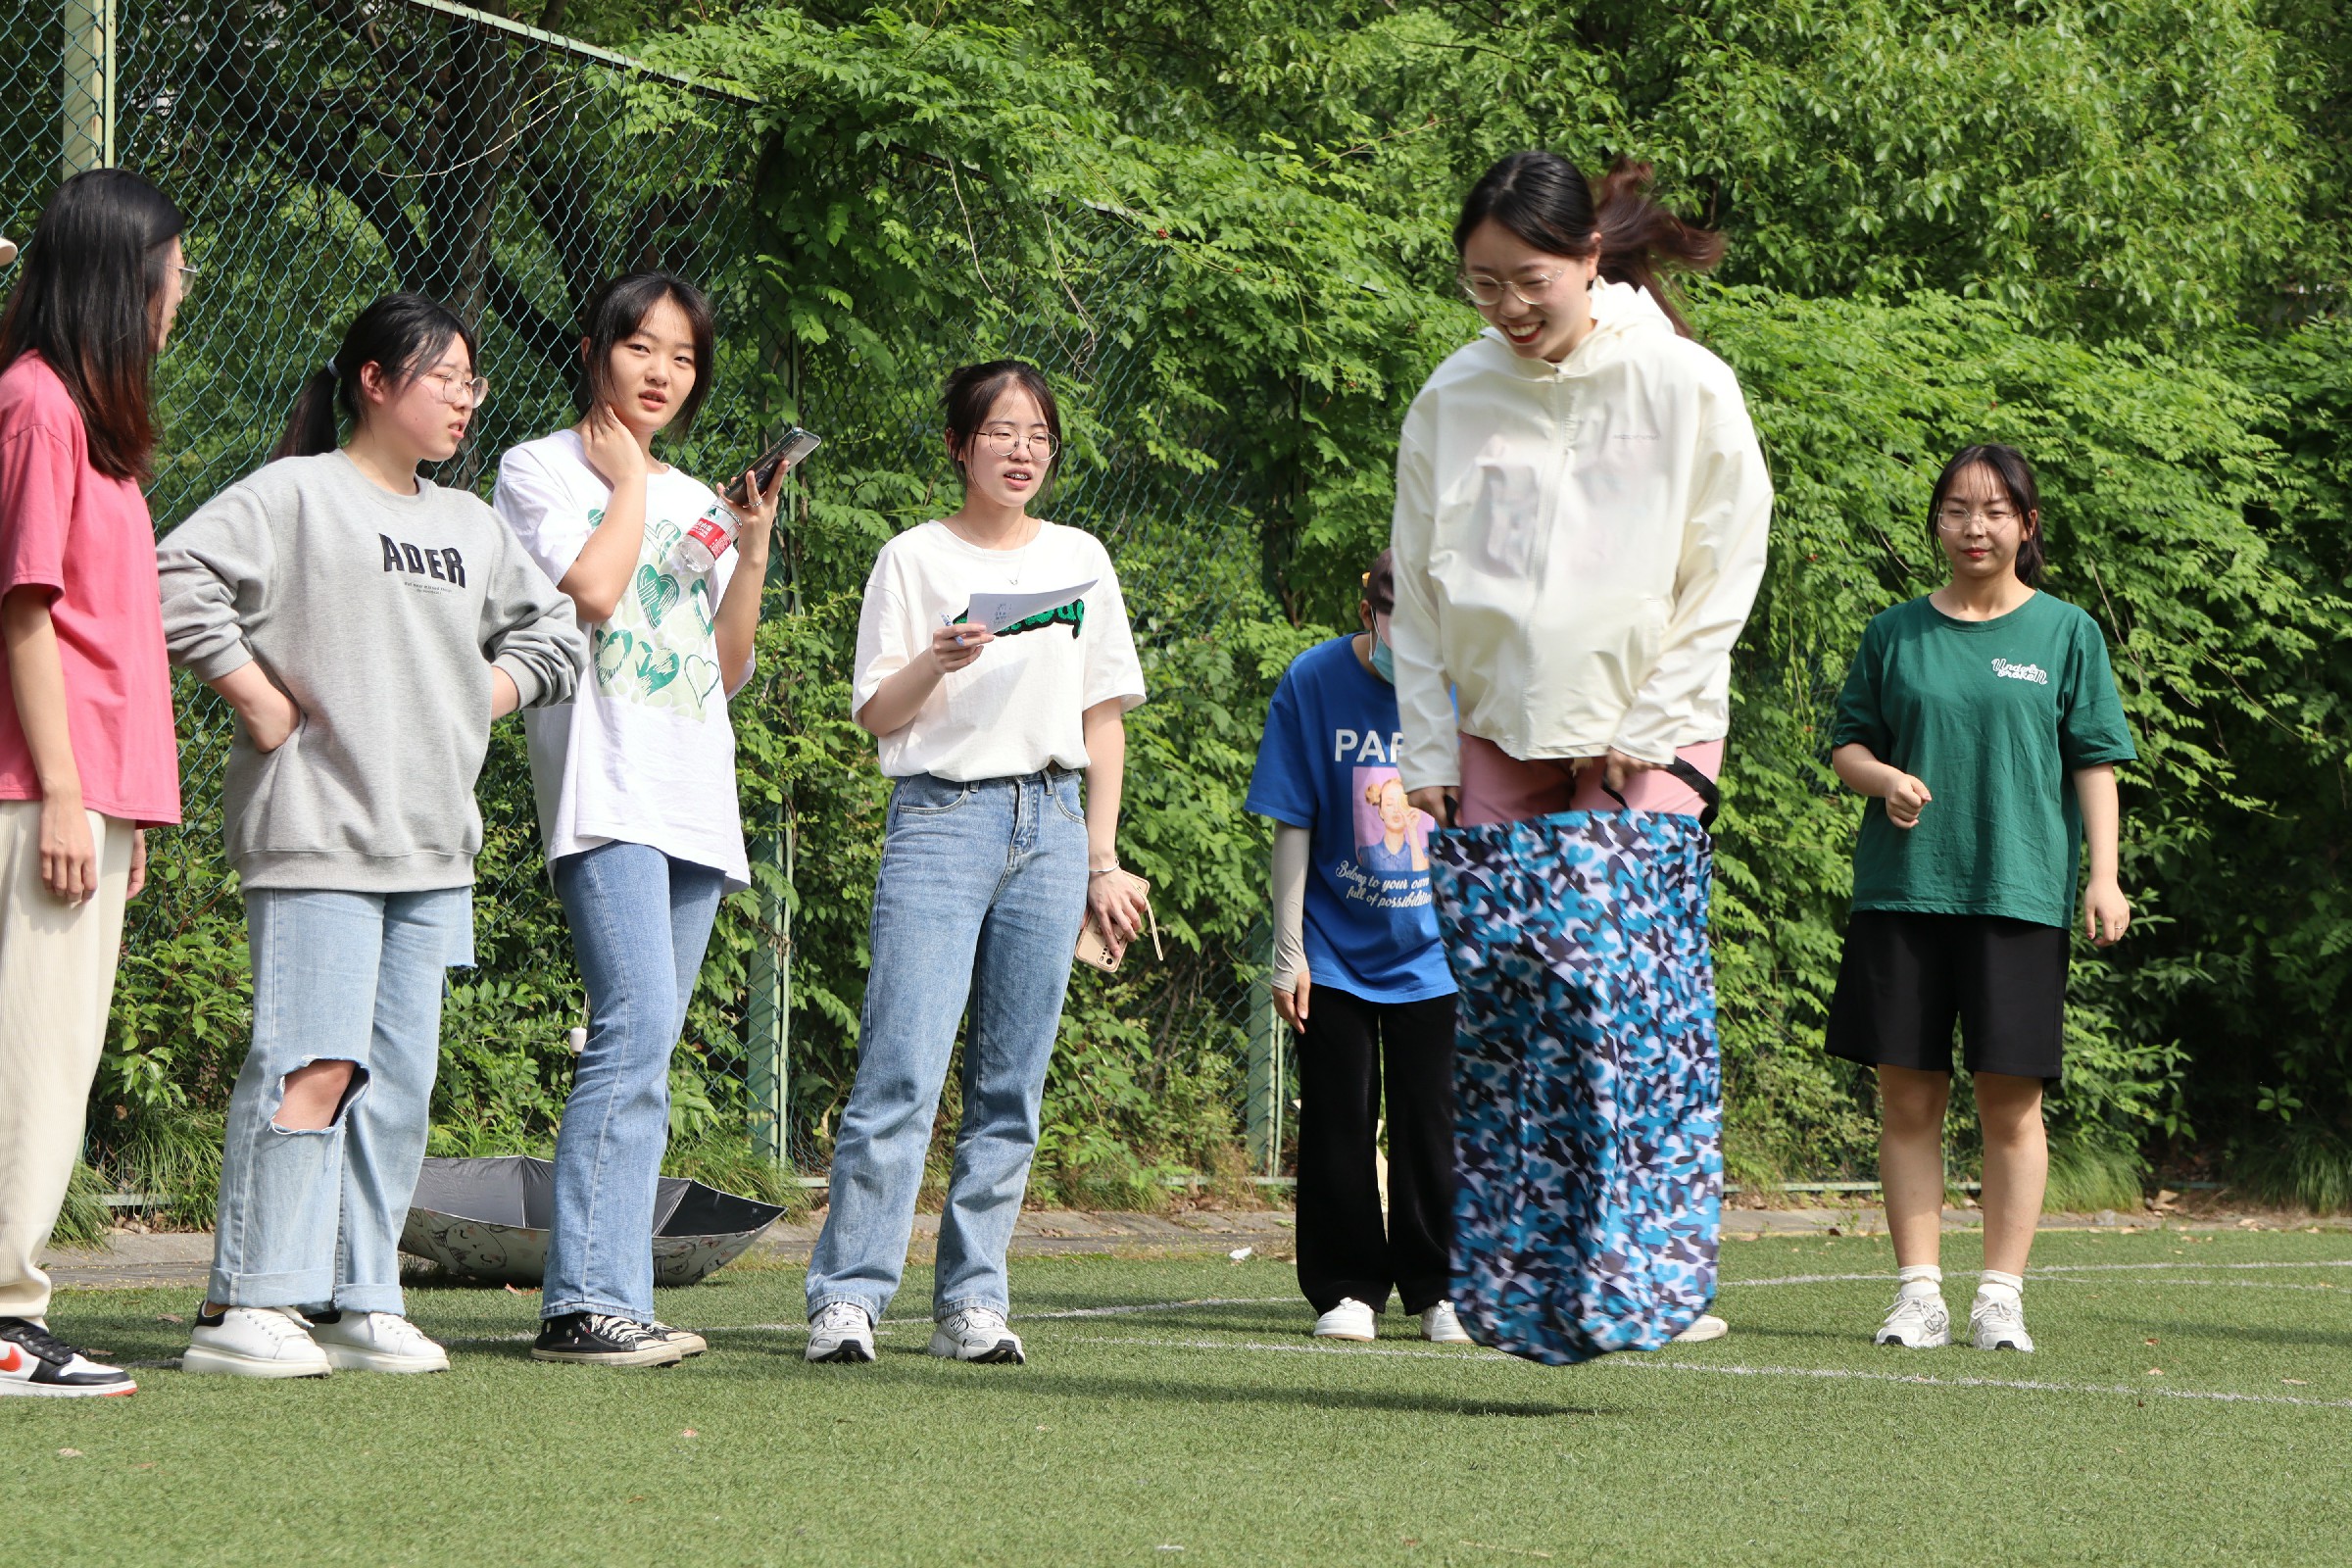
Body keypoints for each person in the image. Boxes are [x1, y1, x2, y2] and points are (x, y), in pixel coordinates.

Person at [158, 293, 586, 1378]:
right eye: (444, 377)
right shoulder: (296, 495)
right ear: (375, 381)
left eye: (471, 381)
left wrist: (478, 694)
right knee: (310, 1065)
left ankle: (362, 1297)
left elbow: (557, 636)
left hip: (433, 850)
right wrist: (257, 698)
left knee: (394, 1086)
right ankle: (250, 1300)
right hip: (316, 833)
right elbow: (169, 578)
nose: (463, 398)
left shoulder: (469, 524)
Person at [1390, 152, 1771, 1359]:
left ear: (1590, 258)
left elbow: (1726, 563)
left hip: (1646, 726)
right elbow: (1417, 589)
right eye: (1482, 283)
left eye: (1530, 281)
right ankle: (1513, 1281)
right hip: (1496, 723)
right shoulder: (1453, 396)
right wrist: (1426, 741)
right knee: (1509, 1002)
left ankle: (1648, 1273)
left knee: (1621, 1002)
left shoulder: (1682, 381)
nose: (1507, 306)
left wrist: (1646, 723)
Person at [803, 360, 1149, 1366]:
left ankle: (973, 1301)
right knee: (901, 1067)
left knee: (1013, 1082)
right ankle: (848, 1297)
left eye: (1039, 434)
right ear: (960, 445)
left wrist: (1102, 858)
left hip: (1053, 822)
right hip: (942, 818)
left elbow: (1104, 718)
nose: (1022, 450)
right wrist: (938, 659)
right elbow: (877, 712)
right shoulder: (912, 558)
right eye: (1000, 431)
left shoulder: (1082, 556)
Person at [493, 270, 784, 1367]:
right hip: (604, 786)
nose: (663, 373)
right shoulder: (537, 468)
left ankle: (613, 1297)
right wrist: (625, 484)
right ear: (595, 350)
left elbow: (727, 665)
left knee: (650, 1046)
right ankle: (582, 1303)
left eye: (684, 357)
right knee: (630, 1028)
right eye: (642, 348)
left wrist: (750, 542)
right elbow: (592, 593)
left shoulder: (699, 494)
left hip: (694, 793)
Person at [1827, 444, 2134, 1354]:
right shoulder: (1894, 633)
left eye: (1996, 511)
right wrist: (1884, 778)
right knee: (1908, 1100)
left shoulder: (2067, 633)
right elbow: (1848, 747)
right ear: (1938, 523)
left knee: (2011, 1104)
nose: (1975, 527)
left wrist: (2104, 874)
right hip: (1903, 893)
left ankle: (2000, 1297)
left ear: (2026, 525)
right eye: (1958, 510)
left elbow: (2095, 762)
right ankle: (1917, 1295)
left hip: (2019, 893)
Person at [0, 170, 188, 1397]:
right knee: (30, 1055)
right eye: (173, 268)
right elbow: (23, 608)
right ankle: (6, 1317)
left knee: (53, 1056)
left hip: (88, 789)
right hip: (38, 791)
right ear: (123, 278)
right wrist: (66, 792)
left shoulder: (87, 421)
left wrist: (118, 802)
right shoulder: (35, 404)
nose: (183, 289)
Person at [1247, 551, 1463, 1346]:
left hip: (1438, 948)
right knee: (1339, 1118)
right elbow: (1292, 817)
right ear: (1368, 612)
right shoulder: (1313, 680)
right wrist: (1289, 949)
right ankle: (1347, 1288)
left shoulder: (1468, 686)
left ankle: (1443, 1288)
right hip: (1333, 945)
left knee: (1433, 1122)